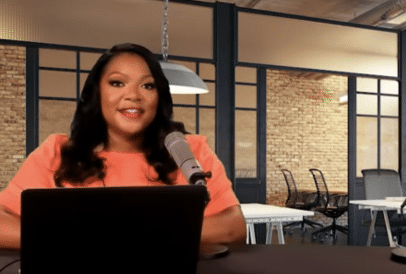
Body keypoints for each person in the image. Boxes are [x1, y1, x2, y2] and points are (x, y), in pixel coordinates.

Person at [0, 43, 246, 250]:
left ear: (159, 97)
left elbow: (232, 228)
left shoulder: (189, 150)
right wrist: (83, 237)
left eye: (147, 85)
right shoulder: (57, 151)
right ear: (97, 93)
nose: (133, 96)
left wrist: (125, 235)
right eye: (117, 83)